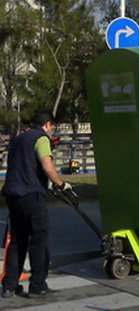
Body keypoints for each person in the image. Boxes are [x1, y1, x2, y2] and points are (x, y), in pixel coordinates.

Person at [1, 111, 72, 299]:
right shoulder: (40, 138)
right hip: (32, 195)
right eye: (52, 128)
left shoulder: (19, 138)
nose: (51, 131)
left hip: (12, 194)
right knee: (39, 241)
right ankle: (37, 285)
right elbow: (47, 167)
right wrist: (62, 184)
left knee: (17, 240)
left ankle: (9, 285)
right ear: (48, 124)